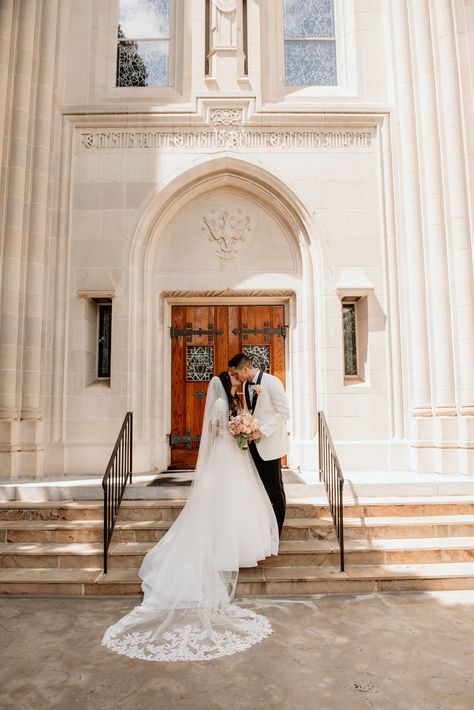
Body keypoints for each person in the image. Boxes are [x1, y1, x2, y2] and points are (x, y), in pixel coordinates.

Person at [102, 371, 279, 662]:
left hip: (233, 456)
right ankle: (222, 546)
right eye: (233, 378)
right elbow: (212, 431)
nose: (236, 380)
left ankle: (234, 544)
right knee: (224, 500)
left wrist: (240, 428)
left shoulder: (234, 399)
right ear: (225, 384)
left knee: (234, 499)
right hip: (226, 454)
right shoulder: (221, 404)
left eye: (237, 375)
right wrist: (235, 430)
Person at [228, 354, 289, 536]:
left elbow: (283, 413)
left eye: (236, 372)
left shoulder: (272, 382)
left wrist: (261, 431)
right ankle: (264, 529)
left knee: (275, 490)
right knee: (260, 489)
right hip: (254, 445)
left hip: (270, 444)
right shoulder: (246, 385)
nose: (235, 376)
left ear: (245, 369)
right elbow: (253, 412)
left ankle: (276, 532)